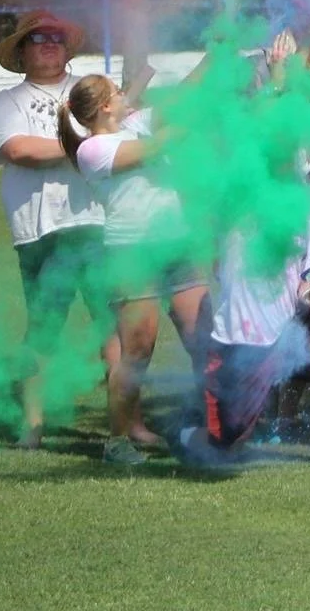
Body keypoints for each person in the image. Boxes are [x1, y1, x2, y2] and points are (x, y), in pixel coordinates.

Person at [58, 71, 208, 465]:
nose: (126, 96)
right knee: (138, 351)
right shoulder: (93, 149)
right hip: (132, 255)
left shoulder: (133, 125)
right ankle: (118, 442)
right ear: (105, 106)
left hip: (178, 244)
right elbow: (156, 147)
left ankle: (210, 425)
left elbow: (182, 96)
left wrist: (219, 47)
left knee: (205, 339)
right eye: (118, 92)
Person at [0, 10, 114, 448]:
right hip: (38, 230)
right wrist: (81, 146)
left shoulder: (91, 92)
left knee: (112, 324)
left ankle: (123, 426)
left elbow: (118, 134)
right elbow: (19, 149)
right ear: (22, 51)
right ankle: (33, 425)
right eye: (37, 37)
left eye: (56, 36)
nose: (48, 42)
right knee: (42, 329)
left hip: (96, 223)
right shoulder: (8, 102)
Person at [186, 207, 310, 468]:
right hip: (241, 345)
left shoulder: (300, 215)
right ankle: (183, 430)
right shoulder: (235, 211)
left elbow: (302, 281)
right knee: (223, 448)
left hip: (287, 338)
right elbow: (218, 264)